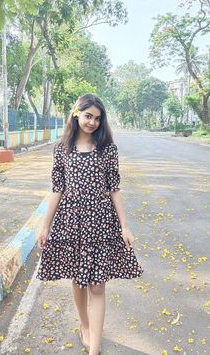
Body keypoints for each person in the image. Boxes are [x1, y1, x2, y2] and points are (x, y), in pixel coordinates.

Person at [36, 93, 144, 355]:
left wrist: (124, 227)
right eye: (88, 116)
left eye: (97, 118)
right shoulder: (62, 149)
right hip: (71, 221)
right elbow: (57, 189)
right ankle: (84, 326)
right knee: (78, 280)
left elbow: (114, 188)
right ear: (76, 114)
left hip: (101, 222)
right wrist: (45, 225)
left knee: (97, 284)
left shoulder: (108, 149)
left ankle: (94, 348)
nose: (92, 122)